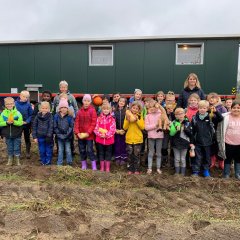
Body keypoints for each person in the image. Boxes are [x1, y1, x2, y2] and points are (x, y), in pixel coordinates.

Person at [191, 100, 223, 177]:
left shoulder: (211, 117)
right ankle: (195, 171)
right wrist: (192, 142)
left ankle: (206, 171)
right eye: (200, 108)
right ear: (198, 108)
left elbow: (220, 118)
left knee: (207, 158)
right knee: (197, 158)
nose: (202, 109)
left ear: (207, 108)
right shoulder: (195, 118)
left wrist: (216, 112)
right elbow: (192, 131)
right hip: (197, 142)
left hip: (208, 142)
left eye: (204, 108)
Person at [217, 100, 240, 179]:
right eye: (234, 108)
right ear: (231, 108)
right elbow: (222, 130)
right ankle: (226, 174)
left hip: (238, 144)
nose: (236, 109)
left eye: (238, 108)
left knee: (238, 159)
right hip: (228, 143)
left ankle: (237, 174)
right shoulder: (226, 117)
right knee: (227, 159)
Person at [74, 94, 97, 170]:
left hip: (89, 135)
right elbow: (76, 122)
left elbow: (94, 123)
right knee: (82, 149)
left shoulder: (92, 110)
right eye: (85, 101)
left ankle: (93, 164)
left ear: (90, 102)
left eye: (88, 101)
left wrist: (88, 133)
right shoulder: (79, 111)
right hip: (81, 135)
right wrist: (77, 133)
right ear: (83, 101)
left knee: (90, 150)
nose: (86, 102)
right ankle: (84, 164)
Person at [0, 97, 23, 166]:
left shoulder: (18, 113)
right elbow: (0, 123)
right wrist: (6, 122)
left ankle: (17, 160)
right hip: (7, 134)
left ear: (14, 104)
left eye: (11, 104)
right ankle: (10, 159)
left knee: (16, 147)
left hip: (16, 134)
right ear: (5, 105)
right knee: (9, 147)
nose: (9, 105)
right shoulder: (3, 114)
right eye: (7, 104)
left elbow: (20, 122)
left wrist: (14, 122)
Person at [123, 101, 144, 174]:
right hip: (129, 139)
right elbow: (124, 128)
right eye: (133, 108)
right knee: (129, 155)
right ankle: (130, 169)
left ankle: (136, 169)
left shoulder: (140, 116)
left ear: (139, 110)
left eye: (136, 109)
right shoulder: (127, 116)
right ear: (131, 108)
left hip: (138, 139)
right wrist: (128, 120)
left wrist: (137, 120)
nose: (135, 110)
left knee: (136, 155)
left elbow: (142, 127)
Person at [169, 108, 192, 176]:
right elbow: (171, 134)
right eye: (178, 114)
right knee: (177, 159)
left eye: (181, 113)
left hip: (184, 143)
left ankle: (182, 173)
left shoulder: (188, 123)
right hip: (175, 144)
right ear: (175, 115)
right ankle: (177, 172)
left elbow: (190, 134)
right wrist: (175, 129)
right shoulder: (173, 122)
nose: (180, 115)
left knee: (182, 159)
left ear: (184, 114)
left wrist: (184, 129)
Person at [94, 103, 116, 172]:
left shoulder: (112, 119)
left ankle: (107, 168)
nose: (106, 110)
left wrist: (106, 135)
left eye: (107, 109)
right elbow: (96, 128)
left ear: (110, 110)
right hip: (100, 140)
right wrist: (100, 134)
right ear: (102, 110)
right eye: (104, 109)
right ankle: (102, 167)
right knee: (101, 153)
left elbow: (113, 129)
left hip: (109, 140)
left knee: (108, 154)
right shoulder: (99, 119)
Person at [145, 100, 164, 174]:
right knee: (151, 153)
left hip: (159, 136)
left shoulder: (161, 114)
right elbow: (146, 127)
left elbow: (163, 123)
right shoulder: (147, 116)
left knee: (158, 153)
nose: (152, 108)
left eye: (153, 107)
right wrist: (155, 125)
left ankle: (158, 168)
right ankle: (149, 168)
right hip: (151, 137)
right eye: (150, 107)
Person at [54, 99, 74, 166]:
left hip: (67, 137)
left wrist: (66, 135)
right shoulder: (56, 116)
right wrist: (59, 135)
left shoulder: (70, 117)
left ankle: (69, 162)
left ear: (67, 108)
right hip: (59, 137)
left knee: (68, 150)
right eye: (62, 107)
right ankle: (59, 163)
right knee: (60, 150)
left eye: (65, 107)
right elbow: (55, 126)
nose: (64, 109)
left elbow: (71, 127)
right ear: (59, 108)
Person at [15, 90, 33, 159]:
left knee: (27, 138)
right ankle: (18, 152)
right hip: (18, 125)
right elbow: (13, 114)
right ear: (20, 96)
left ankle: (28, 152)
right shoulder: (15, 104)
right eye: (24, 97)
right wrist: (17, 121)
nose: (25, 98)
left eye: (27, 97)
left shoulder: (28, 104)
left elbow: (31, 115)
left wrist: (27, 121)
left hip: (26, 125)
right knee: (18, 138)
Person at [114, 97, 128, 165]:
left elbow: (127, 122)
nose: (121, 102)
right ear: (118, 102)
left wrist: (124, 130)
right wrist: (116, 130)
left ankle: (123, 158)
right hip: (116, 131)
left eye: (123, 102)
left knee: (123, 144)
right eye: (120, 101)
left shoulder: (126, 111)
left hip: (124, 131)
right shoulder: (114, 111)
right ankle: (117, 157)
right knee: (117, 144)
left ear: (125, 103)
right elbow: (113, 121)